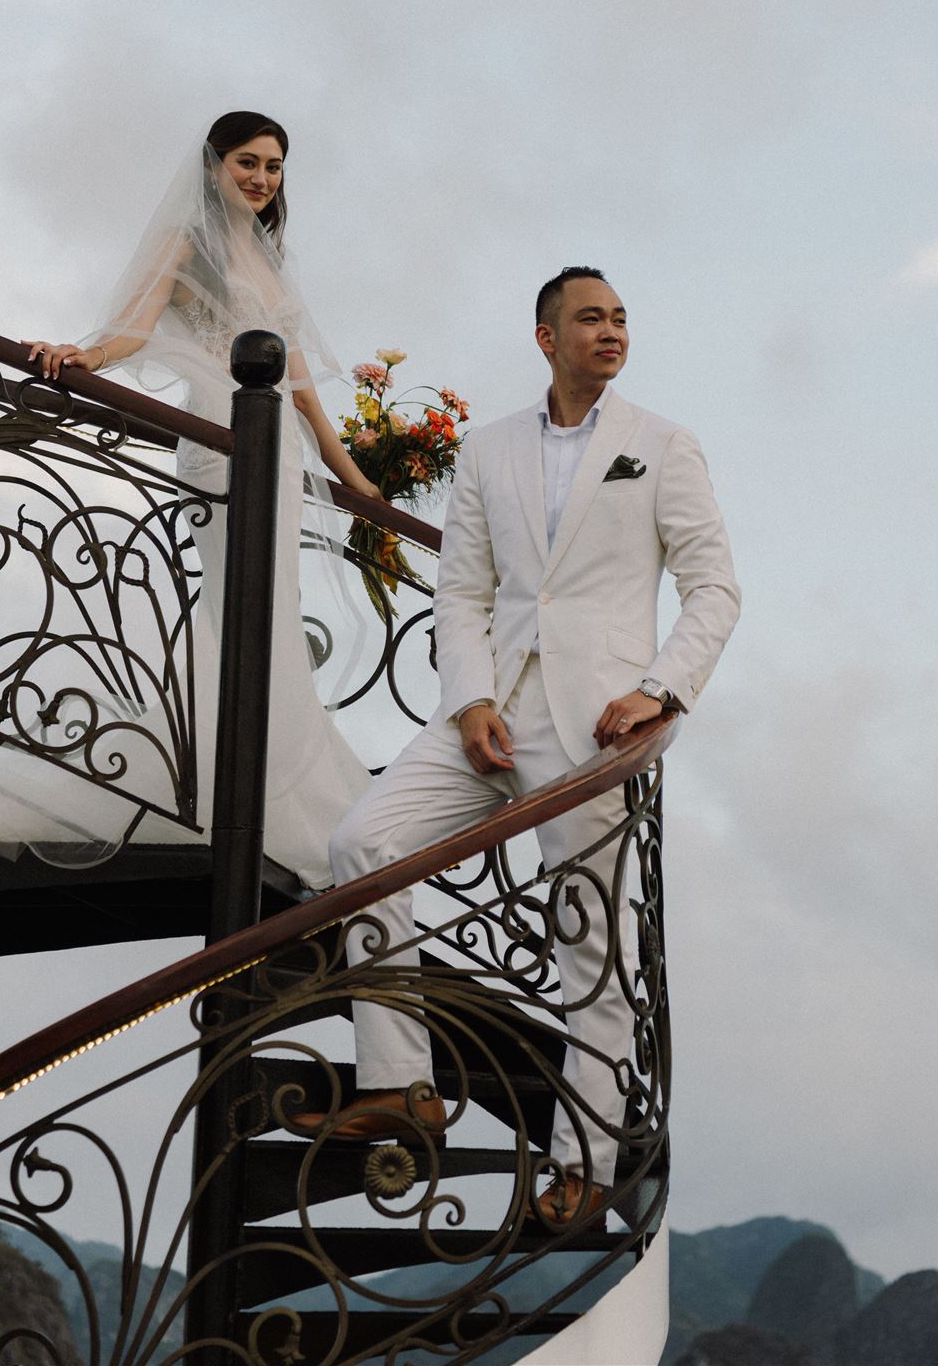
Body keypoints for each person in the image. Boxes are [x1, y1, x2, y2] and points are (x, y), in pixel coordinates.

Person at [310, 266, 741, 1226]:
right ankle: (401, 1083)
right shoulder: (488, 448)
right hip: (489, 716)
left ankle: (583, 1164)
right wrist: (467, 700)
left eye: (621, 317)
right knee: (362, 844)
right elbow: (462, 589)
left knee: (591, 942)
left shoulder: (662, 446)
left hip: (596, 727)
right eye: (590, 318)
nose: (611, 330)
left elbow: (715, 589)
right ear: (545, 337)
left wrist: (657, 691)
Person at [24, 110, 385, 890]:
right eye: (247, 162)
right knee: (242, 610)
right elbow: (131, 327)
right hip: (223, 446)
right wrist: (79, 353)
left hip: (280, 450)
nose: (261, 178)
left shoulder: (271, 262)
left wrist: (355, 482)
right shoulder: (188, 242)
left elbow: (302, 391)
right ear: (214, 165)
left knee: (276, 612)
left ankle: (269, 786)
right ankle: (257, 802)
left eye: (274, 167)